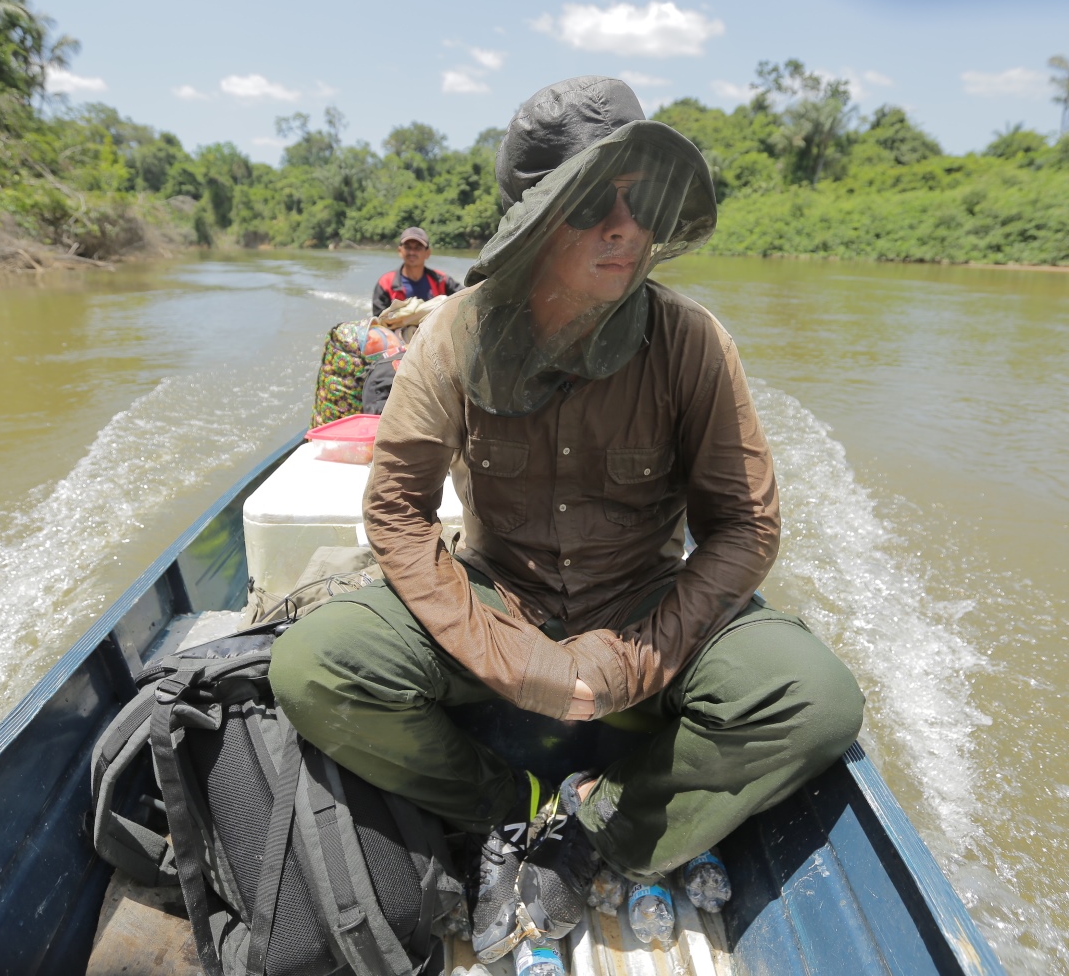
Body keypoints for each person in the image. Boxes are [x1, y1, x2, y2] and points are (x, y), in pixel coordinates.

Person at [271, 77, 865, 961]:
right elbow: (397, 512)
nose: (625, 227)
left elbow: (744, 529)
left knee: (814, 702)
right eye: (594, 203)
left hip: (644, 599)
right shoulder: (455, 335)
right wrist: (511, 654)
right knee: (314, 668)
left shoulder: (691, 342)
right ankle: (505, 807)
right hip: (495, 592)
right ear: (533, 220)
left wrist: (626, 660)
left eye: (640, 203)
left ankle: (595, 829)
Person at [371, 226, 462, 316]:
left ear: (427, 253)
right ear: (400, 251)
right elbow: (379, 320)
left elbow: (465, 296)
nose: (412, 252)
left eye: (418, 248)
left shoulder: (441, 280)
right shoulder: (385, 283)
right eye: (407, 247)